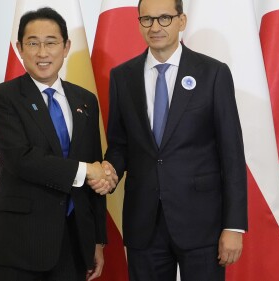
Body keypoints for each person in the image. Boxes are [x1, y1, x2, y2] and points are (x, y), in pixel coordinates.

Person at [102, 0, 248, 280]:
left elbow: (232, 153)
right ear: (139, 23)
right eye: (147, 20)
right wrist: (108, 173)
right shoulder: (122, 77)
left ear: (182, 21)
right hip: (143, 224)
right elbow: (120, 145)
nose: (155, 27)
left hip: (202, 224)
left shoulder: (213, 73)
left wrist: (234, 225)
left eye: (165, 18)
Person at [0, 7, 116, 281]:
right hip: (20, 243)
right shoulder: (3, 98)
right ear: (19, 48)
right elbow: (19, 159)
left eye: (51, 42)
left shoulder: (85, 100)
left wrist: (97, 240)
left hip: (74, 241)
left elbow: (94, 169)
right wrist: (86, 170)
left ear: (66, 47)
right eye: (33, 43)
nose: (43, 53)